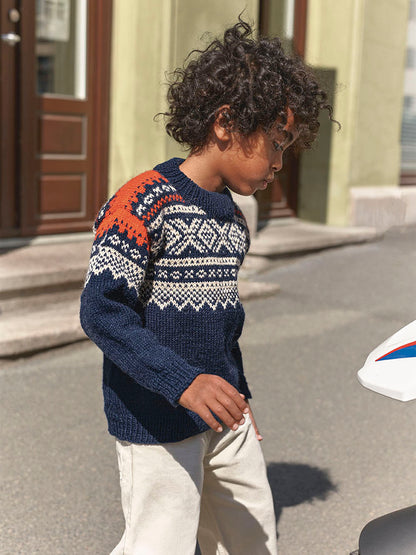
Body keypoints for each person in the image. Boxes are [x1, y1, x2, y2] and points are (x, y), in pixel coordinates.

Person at [80, 18, 337, 555]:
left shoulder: (233, 220)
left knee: (253, 533)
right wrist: (183, 382)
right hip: (156, 419)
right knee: (161, 541)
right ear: (225, 124)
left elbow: (225, 326)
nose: (279, 164)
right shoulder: (141, 203)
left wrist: (239, 393)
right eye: (276, 144)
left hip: (225, 415)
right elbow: (102, 312)